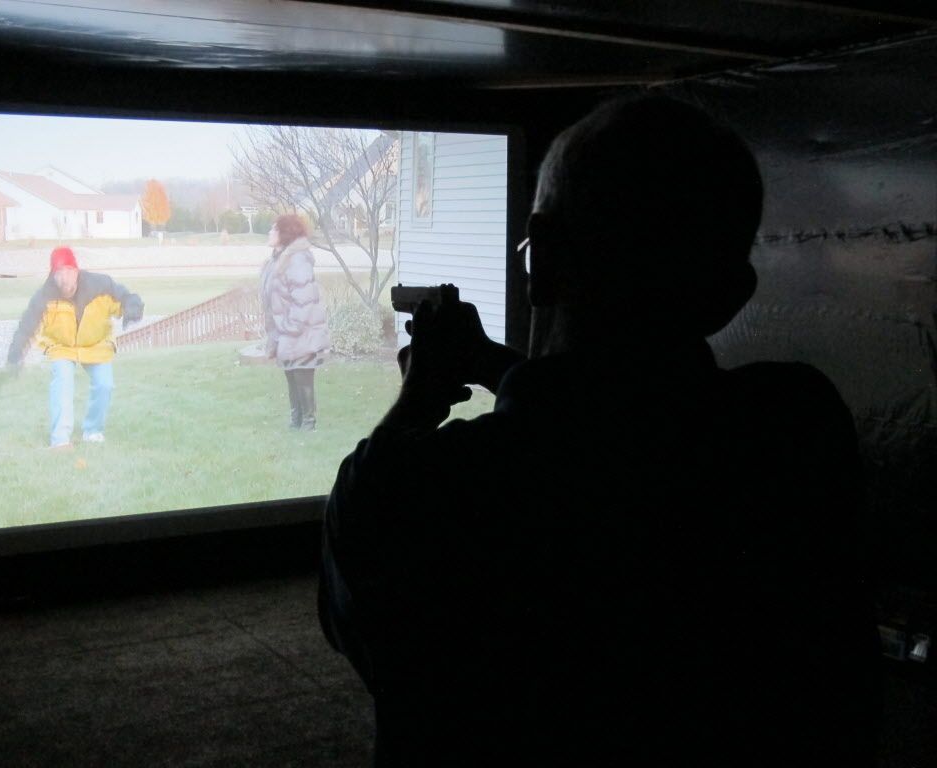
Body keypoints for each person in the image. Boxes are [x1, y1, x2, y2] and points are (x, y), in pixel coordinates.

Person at [319, 96, 880, 767]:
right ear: (732, 293)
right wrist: (495, 365)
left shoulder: (412, 490)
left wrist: (421, 392)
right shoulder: (794, 430)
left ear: (543, 261)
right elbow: (615, 413)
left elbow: (355, 594)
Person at [1, 246, 143, 448]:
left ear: (76, 271)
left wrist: (132, 310)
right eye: (58, 273)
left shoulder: (101, 284)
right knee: (62, 381)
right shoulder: (44, 296)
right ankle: (60, 440)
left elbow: (127, 298)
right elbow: (26, 327)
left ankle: (93, 431)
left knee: (105, 384)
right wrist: (15, 356)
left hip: (96, 344)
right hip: (62, 347)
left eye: (68, 271)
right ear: (53, 275)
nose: (64, 278)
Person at [259, 213, 330, 431]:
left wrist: (290, 327)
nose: (270, 233)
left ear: (285, 233)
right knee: (291, 376)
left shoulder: (296, 259)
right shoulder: (278, 258)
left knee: (303, 377)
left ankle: (308, 423)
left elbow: (304, 299)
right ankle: (296, 420)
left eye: (274, 229)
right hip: (287, 334)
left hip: (301, 332)